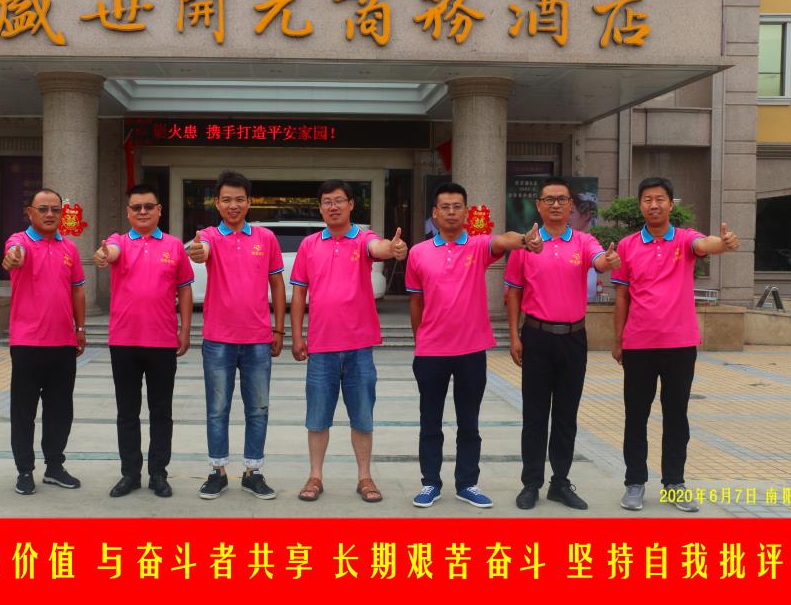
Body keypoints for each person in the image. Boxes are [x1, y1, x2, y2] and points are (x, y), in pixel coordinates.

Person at [406, 182, 543, 509]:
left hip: (471, 351)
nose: (451, 212)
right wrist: (420, 339)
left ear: (466, 212)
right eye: (445, 207)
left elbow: (503, 240)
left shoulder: (478, 246)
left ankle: (467, 483)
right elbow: (415, 302)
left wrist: (524, 240)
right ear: (435, 214)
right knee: (430, 422)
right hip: (431, 352)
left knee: (469, 422)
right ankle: (430, 483)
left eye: (457, 206)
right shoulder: (418, 253)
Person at [612, 177, 739, 513]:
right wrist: (618, 340)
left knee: (676, 417)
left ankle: (674, 484)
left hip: (680, 345)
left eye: (660, 199)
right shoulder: (626, 246)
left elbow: (705, 244)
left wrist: (723, 244)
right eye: (647, 199)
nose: (653, 205)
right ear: (640, 205)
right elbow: (622, 295)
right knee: (635, 416)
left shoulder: (684, 239)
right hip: (639, 344)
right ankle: (635, 482)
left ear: (671, 204)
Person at [505, 177, 621, 511]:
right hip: (536, 337)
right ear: (538, 205)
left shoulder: (583, 241)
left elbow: (599, 260)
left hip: (573, 338)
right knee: (535, 414)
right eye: (549, 199)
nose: (556, 205)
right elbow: (513, 293)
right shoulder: (526, 244)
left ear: (571, 206)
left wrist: (607, 260)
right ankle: (531, 483)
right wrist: (514, 335)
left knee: (566, 415)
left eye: (562, 199)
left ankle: (560, 482)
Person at [290, 180, 407, 503]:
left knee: (362, 417)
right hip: (321, 347)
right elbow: (298, 293)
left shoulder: (363, 238)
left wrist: (393, 248)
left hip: (358, 347)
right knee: (317, 418)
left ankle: (365, 477)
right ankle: (315, 476)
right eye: (327, 201)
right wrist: (297, 335)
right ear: (320, 208)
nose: (333, 206)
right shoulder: (309, 245)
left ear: (351, 204)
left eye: (339, 200)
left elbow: (378, 248)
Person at [187, 171, 286, 500]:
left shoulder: (265, 238)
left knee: (258, 409)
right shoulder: (210, 236)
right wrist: (197, 251)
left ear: (249, 202)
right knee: (218, 408)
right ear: (216, 202)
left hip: (258, 339)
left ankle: (252, 472)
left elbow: (276, 284)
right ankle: (217, 472)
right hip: (219, 340)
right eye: (226, 199)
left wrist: (279, 328)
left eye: (239, 199)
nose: (233, 205)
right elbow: (199, 250)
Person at [94, 184, 194, 499]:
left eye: (148, 206)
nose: (142, 212)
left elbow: (185, 289)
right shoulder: (119, 242)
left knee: (161, 411)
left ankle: (158, 473)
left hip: (162, 341)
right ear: (128, 212)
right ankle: (130, 474)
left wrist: (185, 329)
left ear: (159, 210)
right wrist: (104, 254)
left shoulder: (174, 246)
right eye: (136, 207)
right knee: (127, 411)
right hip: (124, 341)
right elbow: (109, 252)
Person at [2, 188, 87, 495]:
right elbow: (12, 255)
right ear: (30, 212)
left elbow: (78, 290)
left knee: (60, 410)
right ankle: (24, 470)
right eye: (43, 209)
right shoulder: (19, 242)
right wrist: (13, 257)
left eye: (55, 209)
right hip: (27, 343)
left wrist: (80, 328)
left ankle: (54, 466)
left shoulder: (69, 248)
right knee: (23, 411)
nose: (50, 214)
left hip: (63, 342)